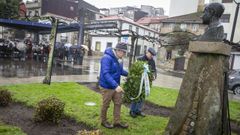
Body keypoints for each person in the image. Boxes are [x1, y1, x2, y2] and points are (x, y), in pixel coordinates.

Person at [99, 42, 129, 129]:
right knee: (106, 105)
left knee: (118, 103)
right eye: (123, 52)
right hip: (107, 86)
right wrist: (116, 86)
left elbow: (120, 71)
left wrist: (129, 74)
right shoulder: (106, 58)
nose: (124, 54)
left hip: (116, 86)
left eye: (125, 53)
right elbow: (106, 74)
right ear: (118, 50)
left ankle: (117, 122)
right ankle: (103, 121)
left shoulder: (120, 59)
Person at [129, 47, 157, 118]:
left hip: (146, 83)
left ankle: (138, 110)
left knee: (142, 96)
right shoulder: (139, 59)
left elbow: (154, 70)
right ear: (147, 52)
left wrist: (154, 76)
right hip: (138, 81)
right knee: (136, 95)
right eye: (150, 55)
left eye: (152, 55)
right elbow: (135, 70)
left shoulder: (152, 61)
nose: (151, 56)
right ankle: (132, 111)